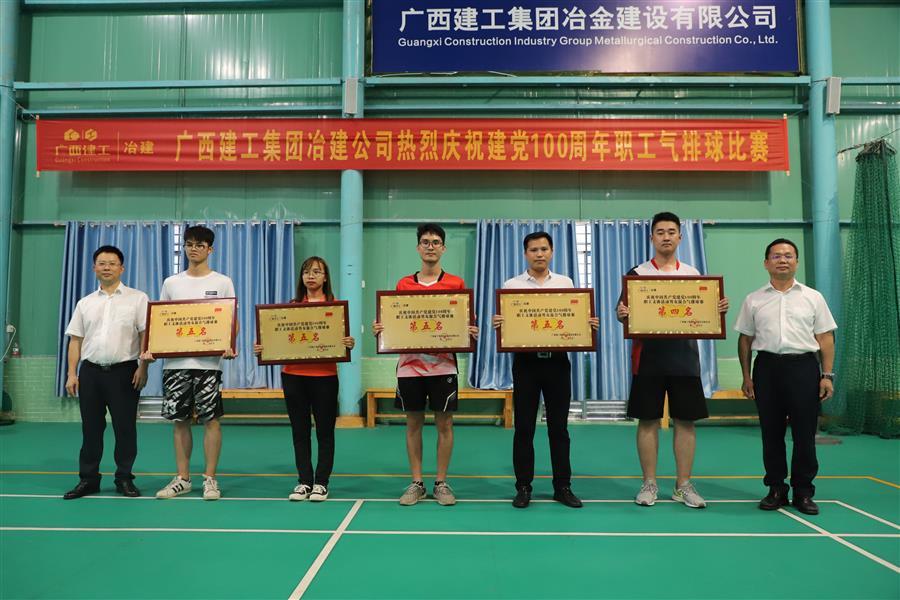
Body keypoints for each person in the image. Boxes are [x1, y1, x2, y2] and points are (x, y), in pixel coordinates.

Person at [616, 212, 729, 509]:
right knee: (648, 421)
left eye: (671, 232)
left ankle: (683, 485)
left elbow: (704, 314)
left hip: (685, 359)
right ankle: (649, 484)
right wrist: (622, 314)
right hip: (647, 359)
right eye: (660, 232)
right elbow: (621, 312)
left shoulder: (693, 274)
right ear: (651, 238)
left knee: (685, 421)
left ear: (680, 237)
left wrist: (717, 308)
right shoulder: (637, 274)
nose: (666, 237)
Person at [373, 223, 478, 506]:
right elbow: (394, 321)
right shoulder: (403, 285)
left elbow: (466, 322)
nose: (430, 246)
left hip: (444, 367)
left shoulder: (456, 284)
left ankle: (441, 483)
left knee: (445, 423)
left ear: (443, 248)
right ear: (418, 247)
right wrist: (382, 329)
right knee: (413, 423)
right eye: (425, 242)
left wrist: (471, 330)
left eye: (435, 242)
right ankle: (417, 483)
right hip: (410, 367)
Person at [493, 231, 599, 509]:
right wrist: (501, 324)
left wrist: (586, 324)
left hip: (557, 363)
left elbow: (573, 320)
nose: (539, 254)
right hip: (526, 364)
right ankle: (523, 487)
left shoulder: (566, 283)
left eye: (544, 249)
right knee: (524, 428)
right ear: (525, 254)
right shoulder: (512, 285)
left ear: (551, 252)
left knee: (559, 429)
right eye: (533, 250)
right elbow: (509, 324)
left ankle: (562, 487)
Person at [735, 238, 836, 516]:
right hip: (766, 368)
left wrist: (827, 375)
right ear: (766, 263)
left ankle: (803, 491)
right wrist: (746, 376)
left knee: (804, 434)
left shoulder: (813, 297)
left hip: (804, 368)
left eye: (789, 255)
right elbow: (745, 340)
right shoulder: (753, 299)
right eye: (777, 256)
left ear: (796, 262)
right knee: (771, 433)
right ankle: (776, 489)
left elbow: (825, 338)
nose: (783, 260)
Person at [142, 225, 237, 501]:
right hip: (175, 364)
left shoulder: (223, 282)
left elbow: (231, 320)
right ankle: (182, 478)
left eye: (199, 245)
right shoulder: (171, 283)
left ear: (210, 249)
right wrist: (153, 348)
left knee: (211, 420)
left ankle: (210, 479)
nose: (193, 249)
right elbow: (161, 320)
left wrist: (230, 345)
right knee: (180, 421)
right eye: (189, 244)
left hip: (209, 365)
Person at [254, 257, 355, 502]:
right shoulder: (290, 308)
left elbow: (341, 341)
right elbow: (275, 339)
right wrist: (262, 348)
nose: (311, 276)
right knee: (299, 432)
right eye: (306, 272)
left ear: (325, 277)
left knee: (325, 432)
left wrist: (348, 343)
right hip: (293, 377)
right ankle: (304, 482)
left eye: (317, 272)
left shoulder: (335, 308)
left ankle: (321, 483)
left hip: (325, 377)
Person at [62, 245, 149, 499]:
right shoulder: (85, 303)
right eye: (102, 263)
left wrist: (143, 367)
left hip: (125, 372)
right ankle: (88, 479)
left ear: (122, 268)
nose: (107, 267)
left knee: (125, 429)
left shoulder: (138, 299)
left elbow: (146, 336)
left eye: (112, 263)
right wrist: (71, 373)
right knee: (91, 429)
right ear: (94, 268)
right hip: (90, 374)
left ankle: (124, 478)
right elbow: (75, 340)